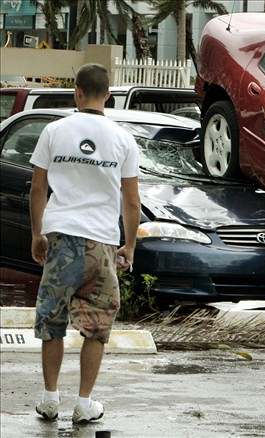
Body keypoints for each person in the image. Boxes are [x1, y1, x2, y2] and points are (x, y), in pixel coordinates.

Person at [30, 63, 140, 423]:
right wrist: (129, 247)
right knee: (97, 326)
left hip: (60, 237)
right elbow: (132, 201)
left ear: (76, 92)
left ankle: (49, 399)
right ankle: (84, 403)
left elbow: (37, 187)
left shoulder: (53, 131)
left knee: (53, 319)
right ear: (107, 95)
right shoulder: (123, 139)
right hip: (102, 243)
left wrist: (37, 233)